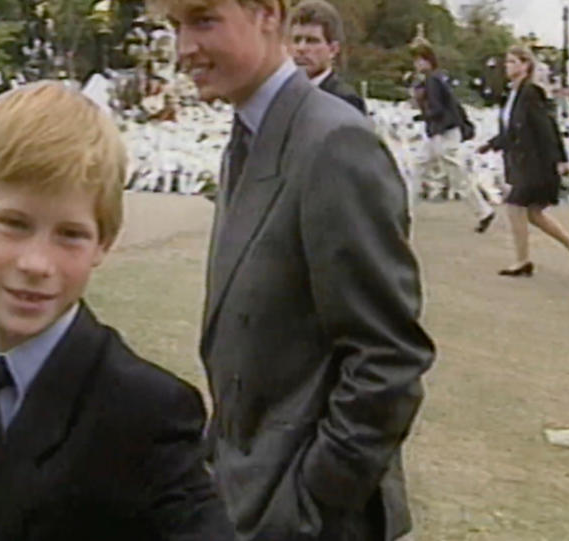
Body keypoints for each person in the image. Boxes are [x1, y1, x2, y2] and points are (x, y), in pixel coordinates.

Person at [0, 83, 233, 541]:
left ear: (103, 243)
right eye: (15, 225)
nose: (37, 264)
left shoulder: (146, 411)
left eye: (70, 234)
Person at [163, 0, 436, 538]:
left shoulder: (334, 143)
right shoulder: (250, 136)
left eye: (202, 20)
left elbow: (388, 360)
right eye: (175, 27)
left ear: (267, 14)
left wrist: (310, 503)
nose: (183, 49)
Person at [478, 46, 569, 277]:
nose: (507, 66)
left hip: (536, 162)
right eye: (507, 62)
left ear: (525, 65)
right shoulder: (514, 94)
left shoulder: (531, 92)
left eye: (512, 61)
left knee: (514, 206)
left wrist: (560, 159)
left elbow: (547, 128)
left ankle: (522, 261)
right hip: (523, 161)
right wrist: (491, 144)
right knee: (533, 213)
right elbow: (512, 130)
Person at [411, 45, 495, 233]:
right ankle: (483, 211)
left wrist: (422, 115)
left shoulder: (432, 81)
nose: (417, 64)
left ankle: (483, 211)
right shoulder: (436, 79)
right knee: (426, 168)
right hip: (443, 132)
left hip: (442, 132)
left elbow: (438, 109)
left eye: (419, 60)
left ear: (428, 61)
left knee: (439, 170)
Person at [288, 0, 366, 115]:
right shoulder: (280, 96)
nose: (301, 48)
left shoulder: (345, 100)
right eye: (296, 40)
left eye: (312, 41)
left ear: (333, 49)